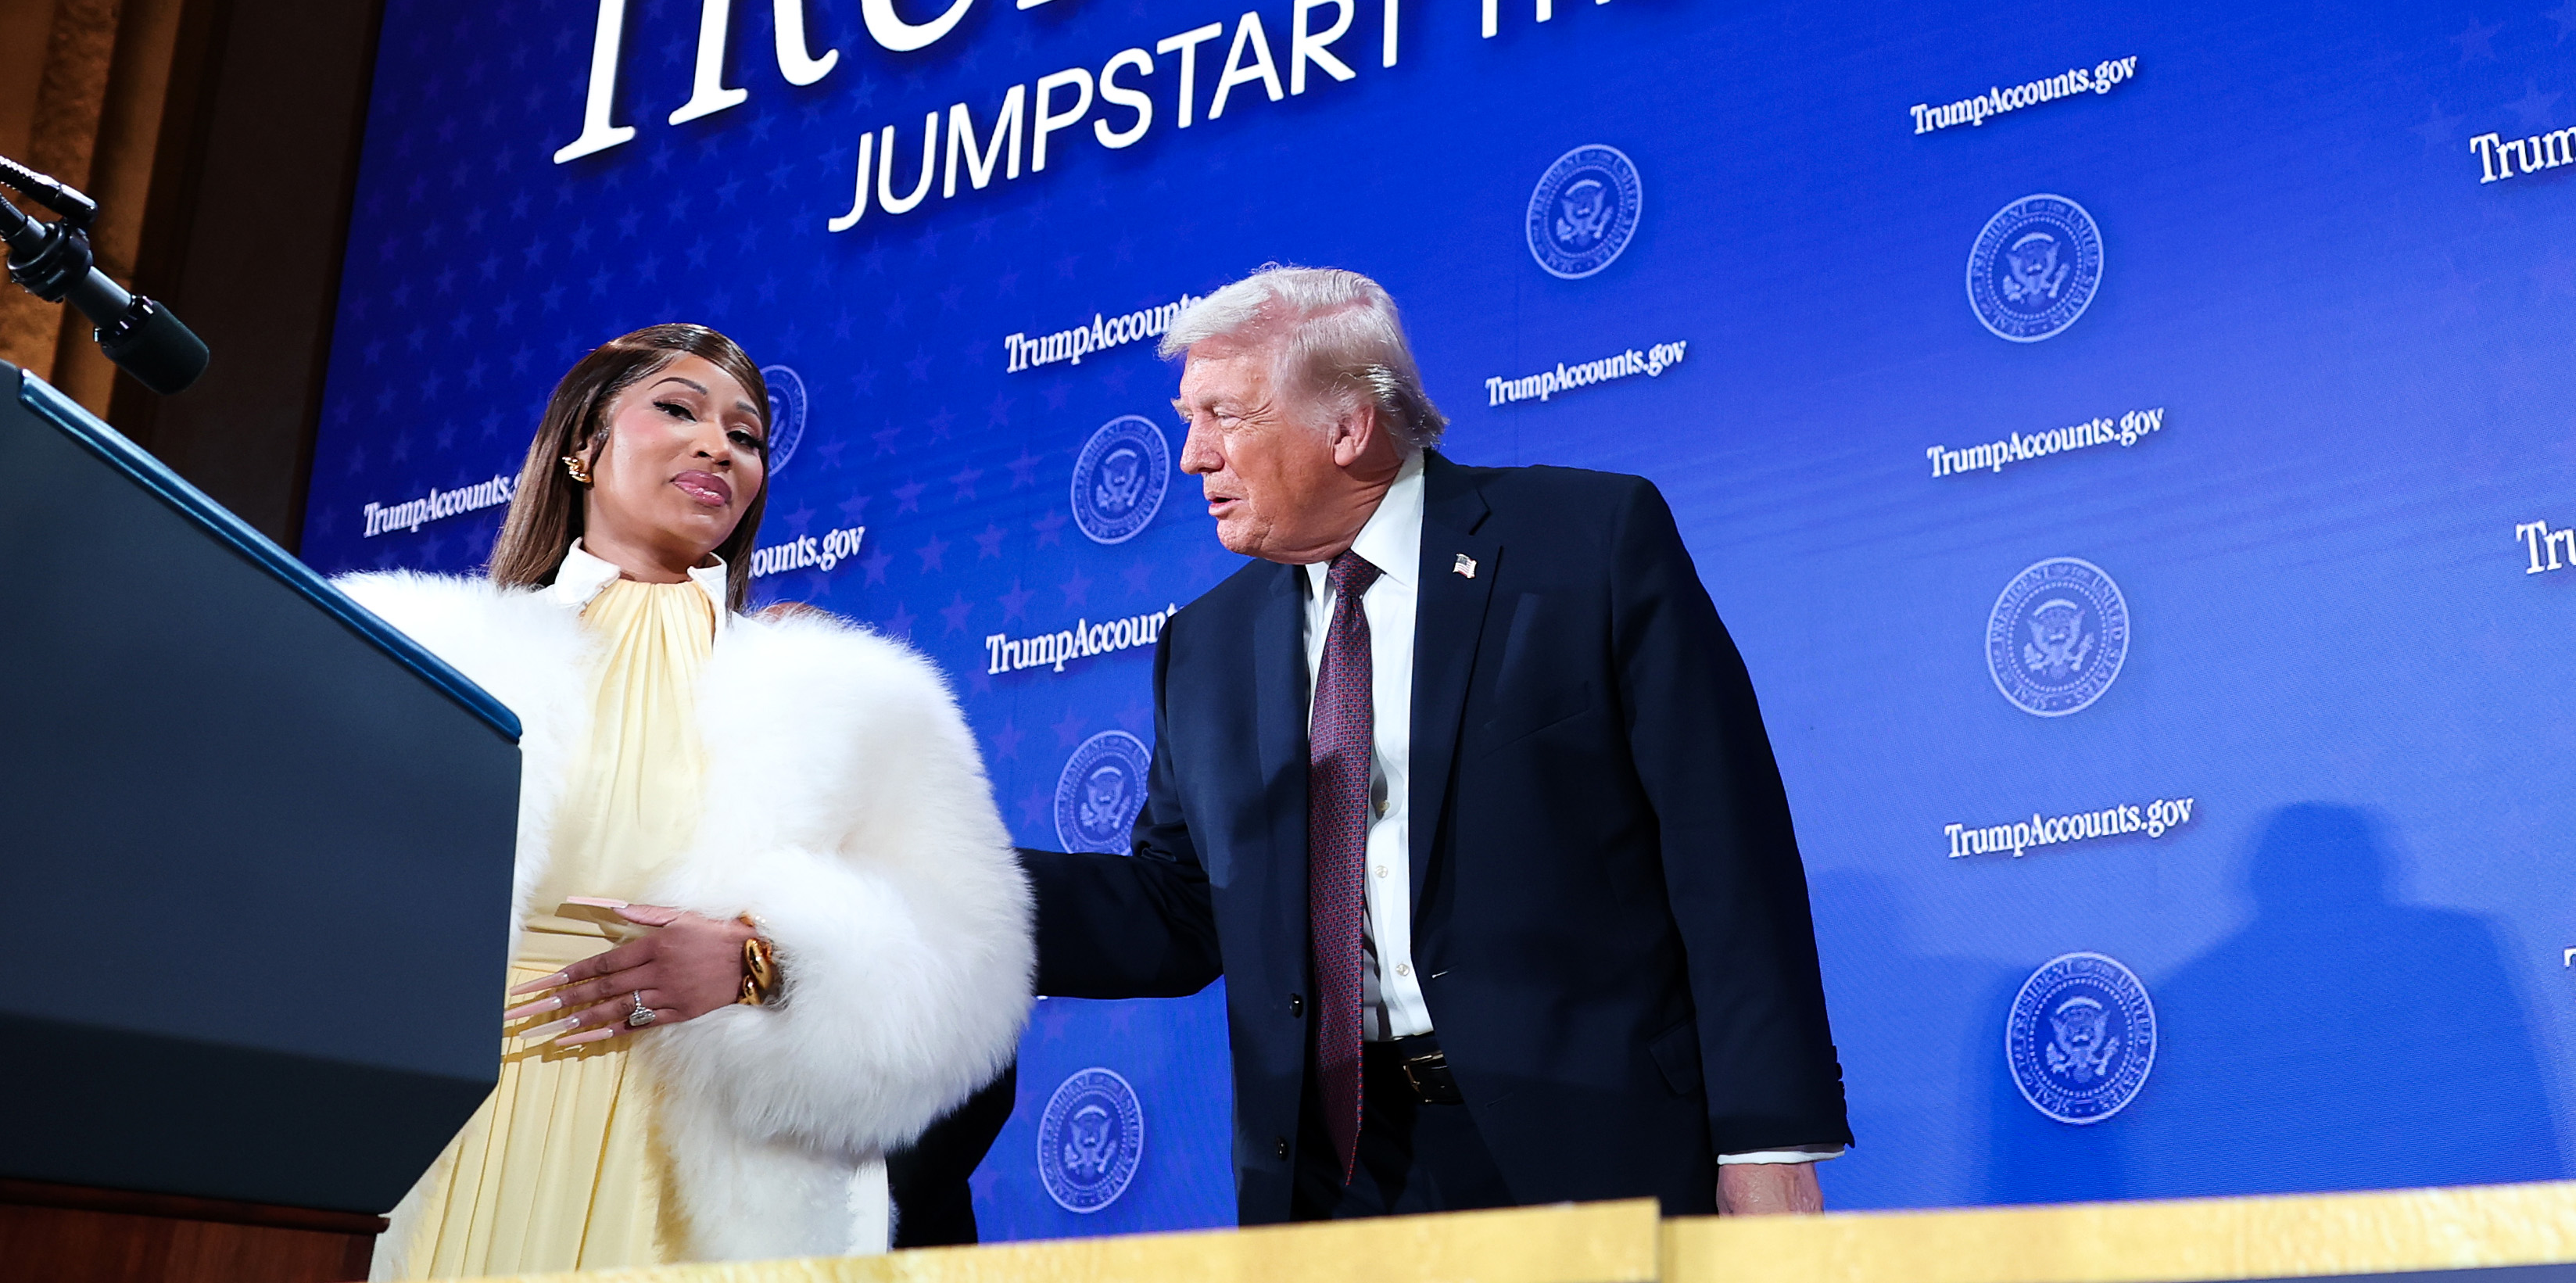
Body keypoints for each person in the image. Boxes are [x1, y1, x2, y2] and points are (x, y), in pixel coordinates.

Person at [1023, 265, 1850, 1222]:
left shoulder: (1585, 545)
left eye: (1225, 417)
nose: (1191, 457)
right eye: (1186, 418)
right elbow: (1176, 910)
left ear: (1348, 426)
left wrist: (1767, 1139)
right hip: (1335, 1181)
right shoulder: (1203, 647)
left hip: (1591, 1153)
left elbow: (1725, 852)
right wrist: (934, 891)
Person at [339, 324, 1031, 1272]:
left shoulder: (849, 696)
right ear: (583, 446)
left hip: (703, 1167)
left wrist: (762, 966)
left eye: (746, 436)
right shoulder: (424, 652)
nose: (720, 447)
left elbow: (967, 973)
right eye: (677, 409)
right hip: (450, 1140)